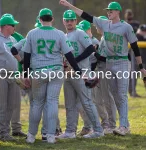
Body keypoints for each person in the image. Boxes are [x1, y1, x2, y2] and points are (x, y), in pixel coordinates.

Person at [59, 0, 146, 136]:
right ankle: (122, 124)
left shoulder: (126, 27)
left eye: (111, 10)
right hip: (110, 63)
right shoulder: (104, 23)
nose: (109, 12)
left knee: (122, 95)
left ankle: (123, 126)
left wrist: (141, 66)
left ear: (118, 11)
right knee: (115, 95)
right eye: (108, 11)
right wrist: (70, 6)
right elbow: (86, 15)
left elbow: (135, 47)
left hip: (122, 62)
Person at [22, 8, 83, 144]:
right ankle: (50, 135)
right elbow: (69, 55)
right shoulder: (60, 33)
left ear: (40, 19)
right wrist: (78, 70)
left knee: (37, 103)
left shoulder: (32, 33)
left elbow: (26, 55)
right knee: (52, 102)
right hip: (56, 71)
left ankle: (31, 136)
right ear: (52, 19)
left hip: (39, 71)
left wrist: (26, 74)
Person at [57, 10, 103, 139]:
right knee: (70, 103)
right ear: (63, 21)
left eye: (72, 20)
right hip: (69, 73)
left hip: (82, 72)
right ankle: (70, 131)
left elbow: (90, 49)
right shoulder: (64, 36)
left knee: (87, 102)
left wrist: (74, 61)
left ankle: (98, 130)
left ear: (76, 21)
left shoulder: (80, 33)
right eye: (67, 20)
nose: (69, 22)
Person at [0, 15, 20, 141]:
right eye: (12, 25)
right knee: (2, 105)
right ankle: (3, 133)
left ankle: (7, 132)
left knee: (11, 105)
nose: (14, 27)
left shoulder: (12, 39)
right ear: (5, 26)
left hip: (13, 76)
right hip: (0, 75)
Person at [124, 9, 141, 97]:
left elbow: (140, 34)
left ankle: (132, 90)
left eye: (130, 14)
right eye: (128, 14)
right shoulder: (123, 24)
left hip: (134, 49)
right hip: (126, 50)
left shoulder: (136, 24)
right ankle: (129, 90)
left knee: (135, 71)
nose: (129, 16)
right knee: (128, 71)